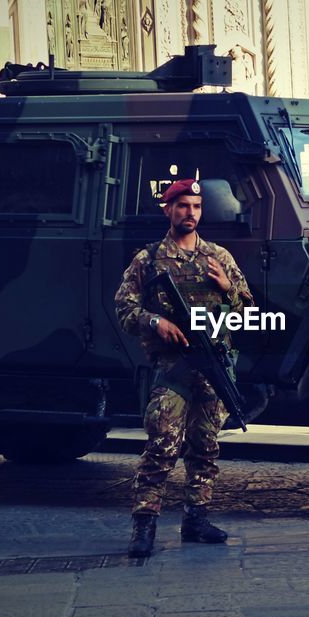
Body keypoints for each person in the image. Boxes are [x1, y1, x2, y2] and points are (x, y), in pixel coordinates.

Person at [114, 178, 254, 558]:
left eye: (195, 206)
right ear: (168, 209)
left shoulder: (218, 257)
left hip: (213, 369)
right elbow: (124, 310)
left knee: (205, 447)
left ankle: (197, 518)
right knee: (161, 445)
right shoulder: (148, 260)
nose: (189, 213)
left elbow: (248, 312)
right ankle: (144, 526)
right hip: (173, 369)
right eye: (182, 206)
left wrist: (228, 288)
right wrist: (156, 322)